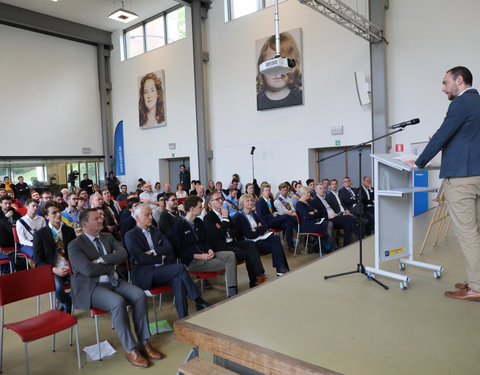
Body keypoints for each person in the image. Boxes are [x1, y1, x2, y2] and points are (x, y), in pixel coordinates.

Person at [413, 66, 480, 301]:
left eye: (445, 83)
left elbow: (443, 134)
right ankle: (476, 281)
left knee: (467, 233)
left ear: (459, 80)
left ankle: (477, 288)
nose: (443, 89)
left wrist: (419, 161)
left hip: (461, 178)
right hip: (477, 176)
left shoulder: (461, 103)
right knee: (477, 231)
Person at [68, 208, 164, 367]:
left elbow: (123, 254)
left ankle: (144, 342)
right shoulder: (75, 245)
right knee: (117, 302)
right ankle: (130, 349)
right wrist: (110, 266)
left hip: (113, 280)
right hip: (92, 287)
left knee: (140, 295)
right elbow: (86, 270)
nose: (101, 220)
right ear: (84, 224)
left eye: (101, 217)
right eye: (96, 219)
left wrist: (100, 261)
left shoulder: (107, 236)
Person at [124, 204, 209, 319]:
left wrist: (153, 251)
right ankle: (198, 299)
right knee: (179, 268)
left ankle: (183, 318)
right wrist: (161, 257)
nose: (151, 217)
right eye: (147, 215)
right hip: (145, 275)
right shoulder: (130, 235)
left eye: (151, 214)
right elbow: (141, 258)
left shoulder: (155, 230)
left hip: (162, 271)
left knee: (178, 281)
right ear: (137, 218)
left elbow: (169, 247)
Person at [170, 195, 238, 297]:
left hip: (205, 254)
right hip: (193, 261)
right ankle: (232, 292)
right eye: (200, 207)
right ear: (192, 209)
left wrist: (209, 249)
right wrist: (198, 256)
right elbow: (178, 251)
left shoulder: (198, 222)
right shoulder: (178, 226)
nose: (202, 209)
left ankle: (232, 289)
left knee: (231, 255)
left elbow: (205, 240)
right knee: (227, 263)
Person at [204, 192, 268, 288]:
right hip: (222, 248)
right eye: (217, 199)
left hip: (231, 243)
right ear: (210, 203)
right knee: (248, 253)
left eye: (221, 198)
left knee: (251, 244)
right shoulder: (208, 218)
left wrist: (225, 231)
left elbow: (236, 231)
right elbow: (219, 236)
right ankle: (255, 279)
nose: (221, 200)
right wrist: (225, 220)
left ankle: (259, 275)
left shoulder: (225, 213)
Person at [33, 201, 75, 313]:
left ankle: (65, 302)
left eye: (59, 211)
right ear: (46, 216)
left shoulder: (69, 231)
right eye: (54, 213)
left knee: (83, 283)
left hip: (70, 267)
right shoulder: (40, 234)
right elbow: (37, 261)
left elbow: (75, 253)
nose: (58, 215)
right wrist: (54, 269)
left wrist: (71, 267)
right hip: (52, 269)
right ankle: (67, 304)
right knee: (59, 288)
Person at [234, 194, 289, 276]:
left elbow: (264, 226)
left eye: (251, 200)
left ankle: (280, 269)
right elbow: (249, 235)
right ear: (242, 203)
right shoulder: (239, 216)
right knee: (275, 245)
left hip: (259, 238)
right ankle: (281, 268)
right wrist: (259, 229)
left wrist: (256, 229)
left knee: (276, 238)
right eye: (247, 201)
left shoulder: (253, 214)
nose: (250, 202)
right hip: (250, 243)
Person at [256, 31, 302, 111]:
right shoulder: (258, 101)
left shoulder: (299, 96)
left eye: (282, 63)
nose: (277, 72)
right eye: (271, 64)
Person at [256, 184, 297, 253]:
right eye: (266, 191)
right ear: (262, 192)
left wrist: (275, 213)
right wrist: (272, 215)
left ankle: (290, 247)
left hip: (274, 220)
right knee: (287, 216)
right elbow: (261, 216)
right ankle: (298, 229)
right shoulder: (259, 202)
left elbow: (275, 210)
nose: (268, 192)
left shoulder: (271, 200)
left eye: (269, 190)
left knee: (288, 225)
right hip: (267, 222)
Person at [295, 187, 338, 252]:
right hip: (307, 225)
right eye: (307, 193)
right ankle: (332, 247)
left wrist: (313, 213)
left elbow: (318, 213)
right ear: (303, 194)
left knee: (330, 223)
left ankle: (333, 246)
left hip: (314, 221)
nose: (309, 194)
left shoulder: (309, 201)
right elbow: (307, 216)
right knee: (328, 224)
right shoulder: (299, 204)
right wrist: (313, 213)